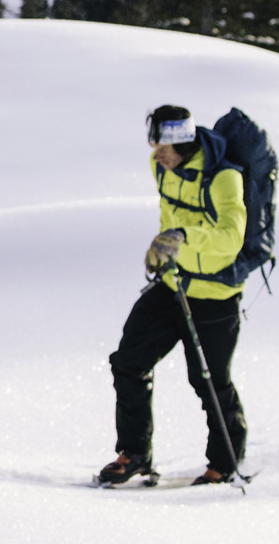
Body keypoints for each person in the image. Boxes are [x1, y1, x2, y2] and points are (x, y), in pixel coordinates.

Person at [97, 105, 250, 488]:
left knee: (210, 381)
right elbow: (169, 215)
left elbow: (231, 241)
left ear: (182, 139)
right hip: (172, 285)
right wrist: (161, 250)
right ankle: (134, 454)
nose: (156, 153)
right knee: (129, 361)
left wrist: (181, 237)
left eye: (162, 144)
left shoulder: (224, 178)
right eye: (153, 143)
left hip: (215, 295)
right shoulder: (160, 167)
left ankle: (224, 463)